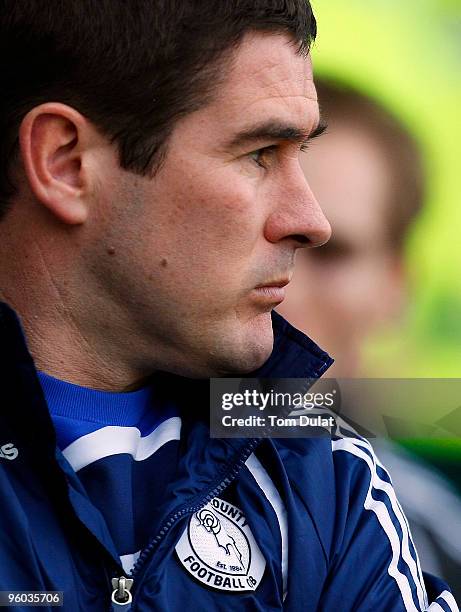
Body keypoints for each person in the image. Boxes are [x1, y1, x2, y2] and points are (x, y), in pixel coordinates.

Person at [0, 2, 457, 611]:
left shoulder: (325, 480)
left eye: (346, 252)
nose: (309, 222)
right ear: (66, 163)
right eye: (260, 153)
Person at [278, 79, 461, 601]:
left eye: (330, 253)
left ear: (396, 288)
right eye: (257, 237)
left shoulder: (435, 542)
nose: (281, 289)